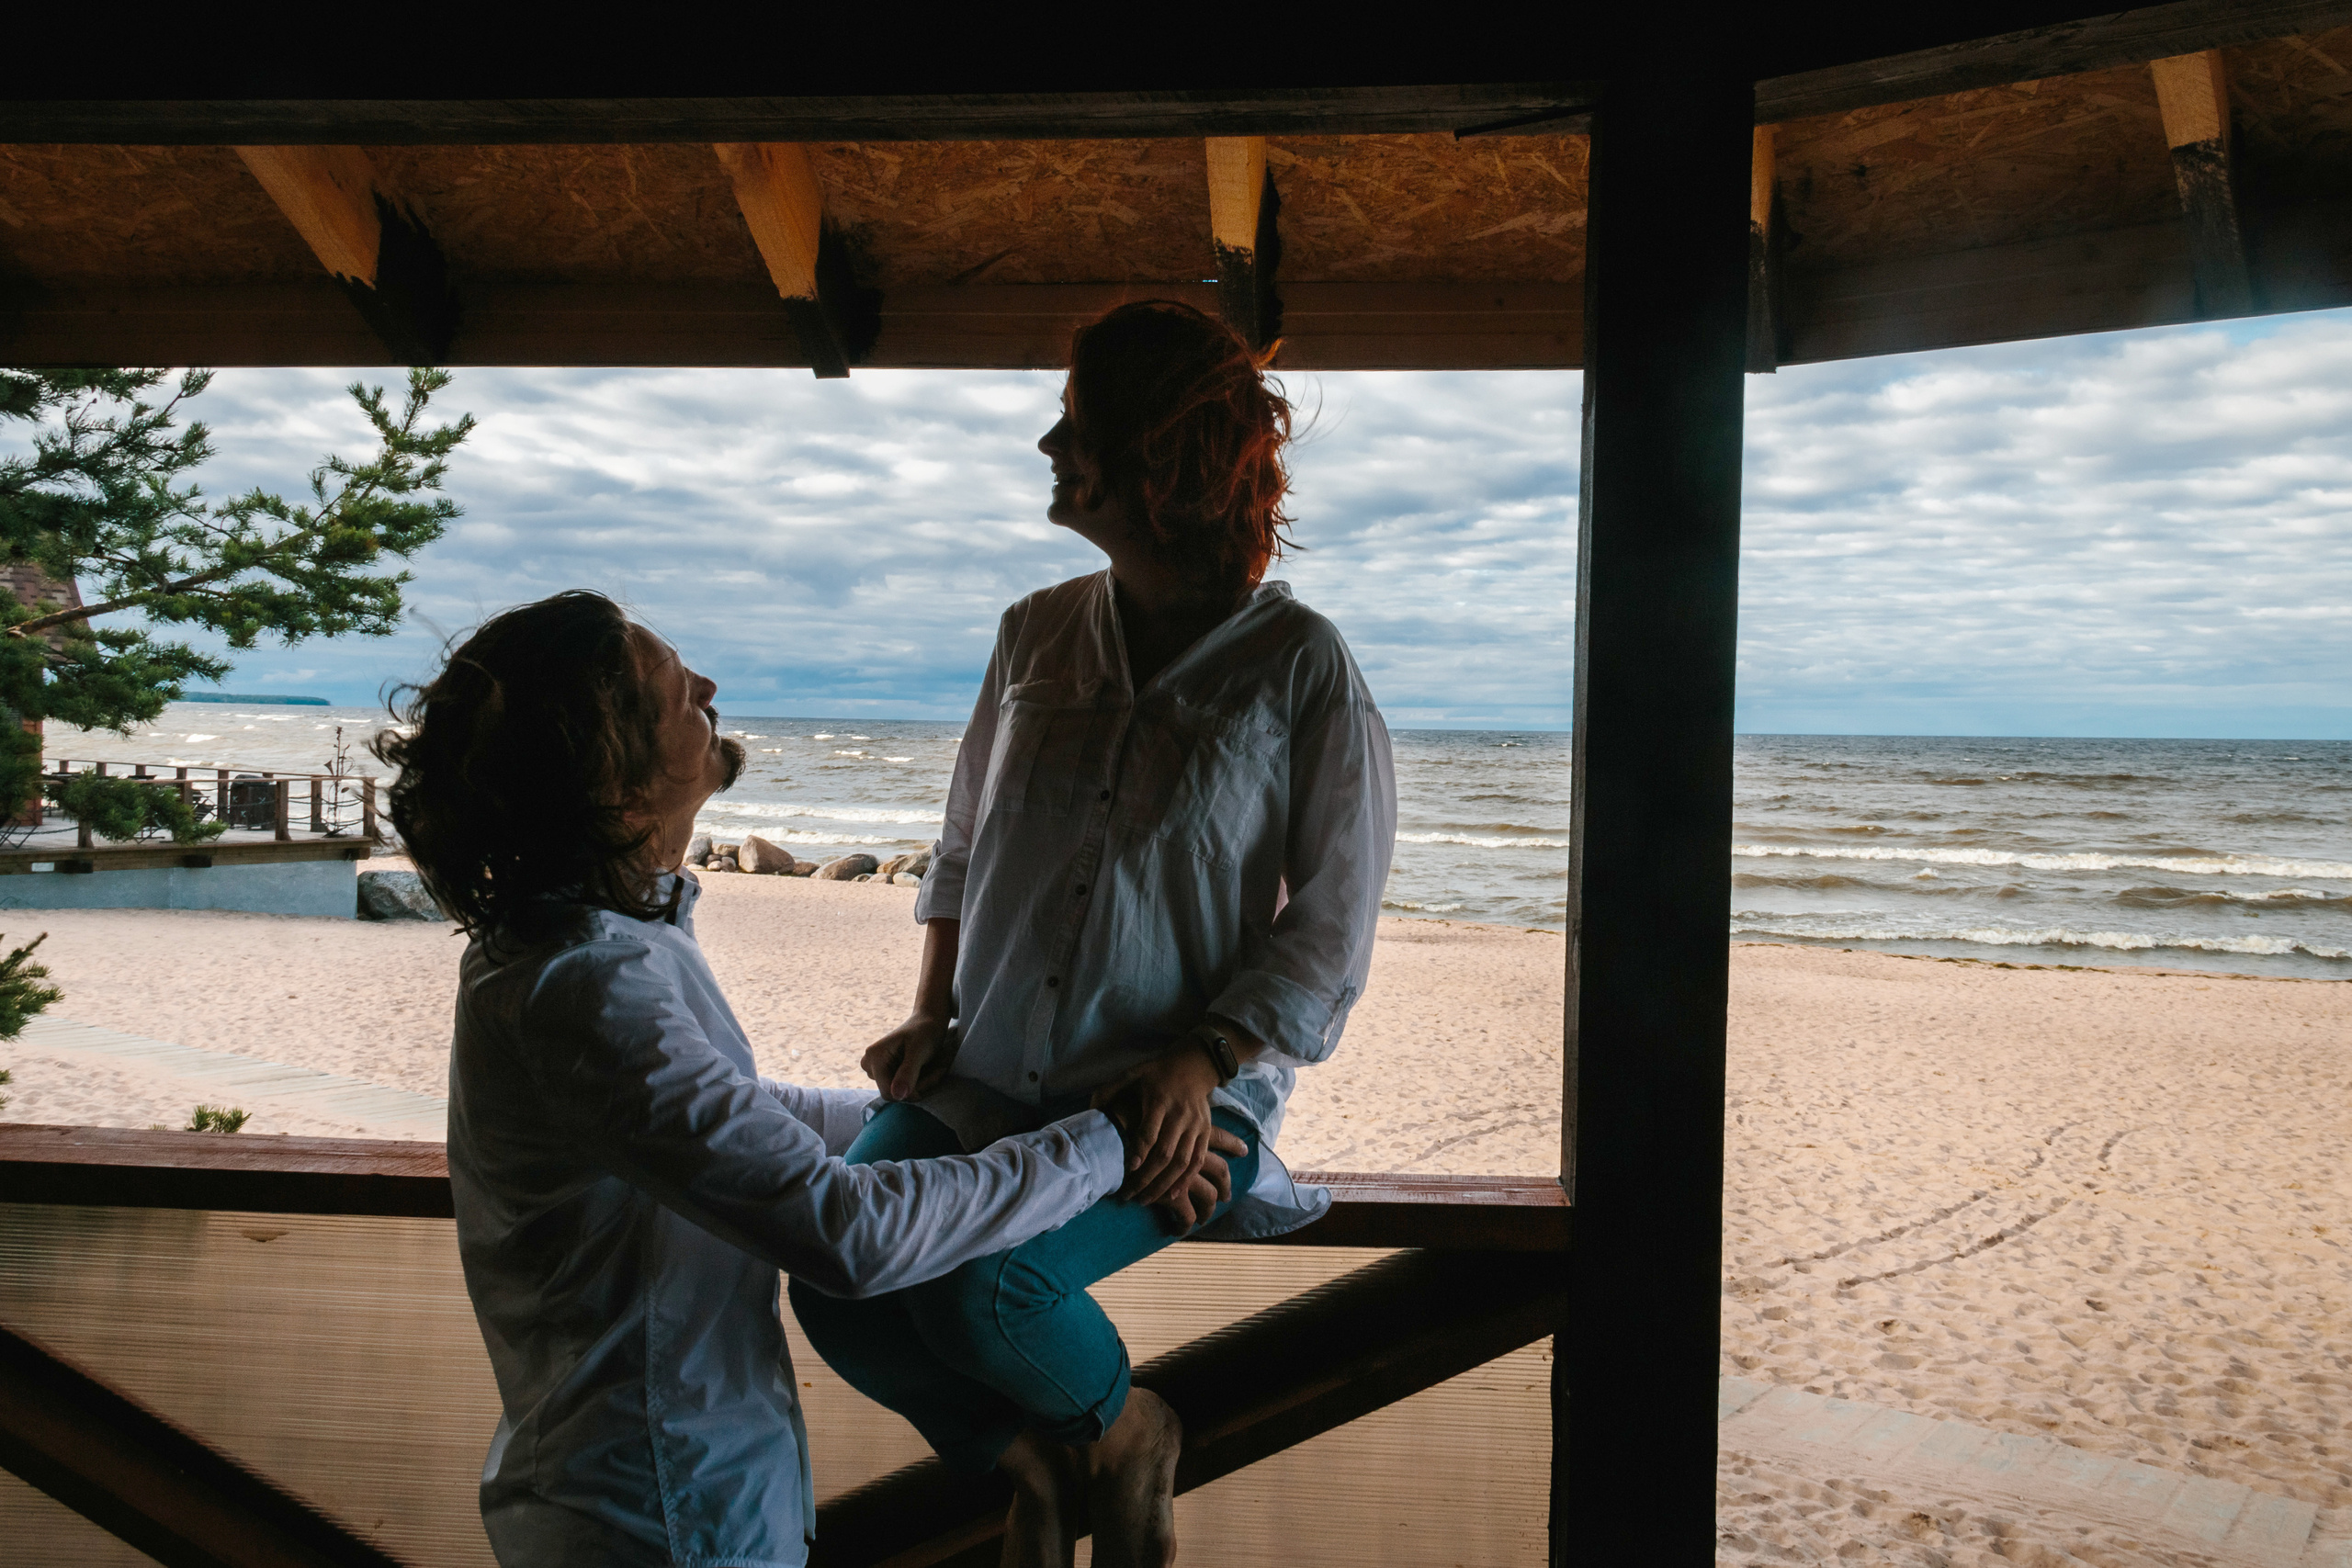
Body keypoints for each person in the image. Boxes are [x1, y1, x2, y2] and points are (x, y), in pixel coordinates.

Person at [375, 590, 1245, 1568]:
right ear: (615, 792)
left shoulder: (591, 946)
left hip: (662, 1493)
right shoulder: (585, 991)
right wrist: (1108, 1144)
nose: (708, 686)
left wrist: (934, 1115)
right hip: (662, 1515)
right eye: (672, 691)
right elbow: (847, 1236)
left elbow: (730, 1122)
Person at [789, 301, 1397, 1568]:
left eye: (1081, 420)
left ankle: (1130, 1426)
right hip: (990, 1069)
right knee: (836, 1271)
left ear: (1164, 451)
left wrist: (1204, 1062)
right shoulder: (1033, 632)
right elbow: (963, 838)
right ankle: (1058, 1459)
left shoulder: (1299, 664)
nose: (1048, 441)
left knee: (983, 1288)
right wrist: (930, 1005)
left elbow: (1332, 922)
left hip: (1170, 1102)